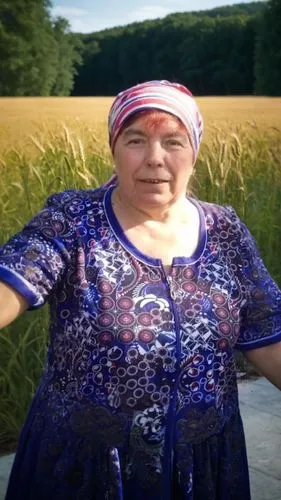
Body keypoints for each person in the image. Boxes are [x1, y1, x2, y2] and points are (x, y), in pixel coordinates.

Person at [0, 80, 281, 500]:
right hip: (87, 473)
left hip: (203, 468)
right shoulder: (72, 221)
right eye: (136, 140)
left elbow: (266, 332)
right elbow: (16, 275)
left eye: (173, 141)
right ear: (114, 148)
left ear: (195, 151)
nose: (154, 159)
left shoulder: (225, 230)